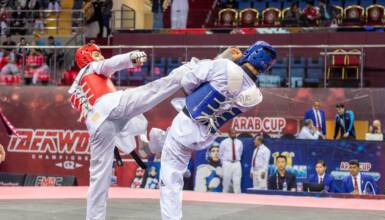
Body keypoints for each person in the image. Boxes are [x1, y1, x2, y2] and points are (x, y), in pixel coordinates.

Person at [68, 42, 190, 220]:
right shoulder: (91, 67)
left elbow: (86, 106)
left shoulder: (73, 89)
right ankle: (189, 71)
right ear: (87, 57)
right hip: (111, 105)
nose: (100, 57)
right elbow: (109, 64)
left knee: (99, 178)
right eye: (96, 54)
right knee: (153, 91)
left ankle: (94, 218)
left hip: (97, 125)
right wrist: (131, 58)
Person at [158, 41, 277, 220]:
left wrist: (222, 58)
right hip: (205, 134)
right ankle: (166, 147)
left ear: (250, 54)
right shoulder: (256, 96)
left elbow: (188, 82)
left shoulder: (224, 66)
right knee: (173, 154)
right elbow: (237, 85)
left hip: (187, 123)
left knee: (169, 180)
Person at [219, 128, 243, 193]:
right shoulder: (224, 142)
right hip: (227, 163)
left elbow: (240, 153)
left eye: (235, 133)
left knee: (237, 181)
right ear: (229, 134)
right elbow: (220, 154)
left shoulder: (239, 142)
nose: (234, 134)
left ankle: (238, 198)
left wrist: (235, 160)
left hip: (237, 163)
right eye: (232, 133)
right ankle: (224, 197)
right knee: (226, 182)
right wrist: (224, 163)